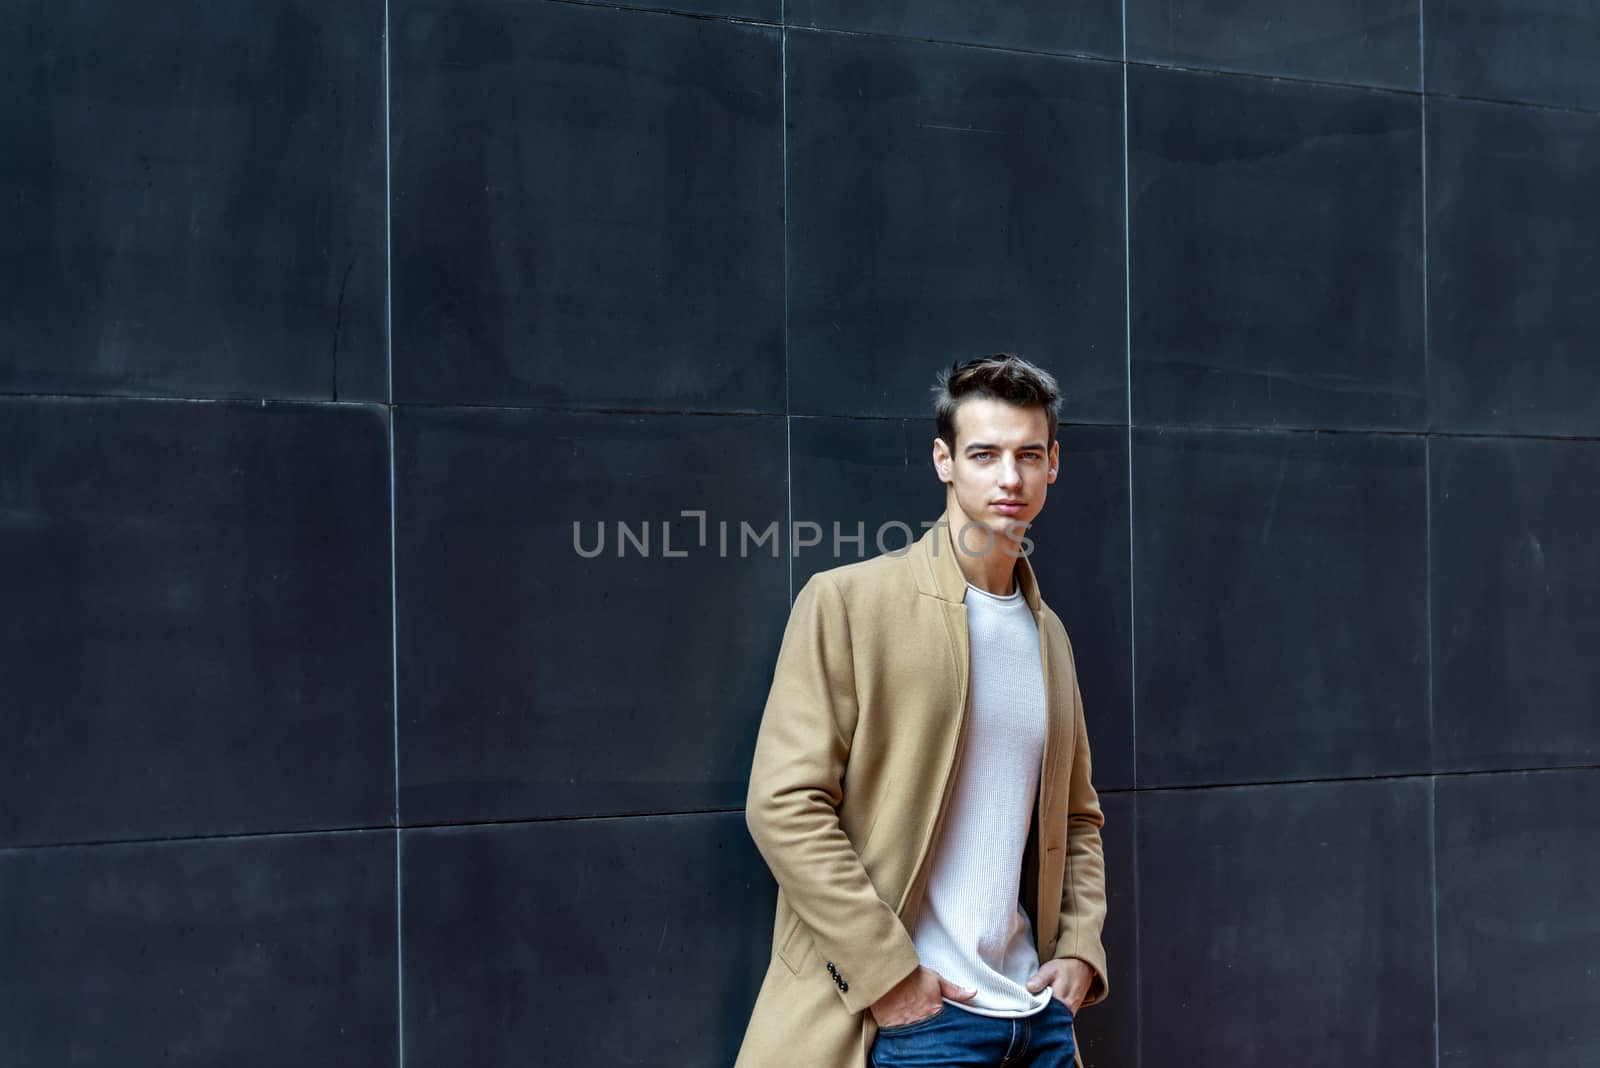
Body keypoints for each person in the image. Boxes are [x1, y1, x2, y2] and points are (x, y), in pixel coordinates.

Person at [735, 354, 1110, 1068]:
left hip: (1037, 1019)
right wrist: (891, 980)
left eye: (1029, 455)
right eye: (984, 454)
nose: (1010, 477)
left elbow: (1077, 819)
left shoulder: (1047, 634)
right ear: (943, 460)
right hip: (917, 1021)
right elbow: (783, 804)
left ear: (1054, 463)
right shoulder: (848, 602)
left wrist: (1080, 951)